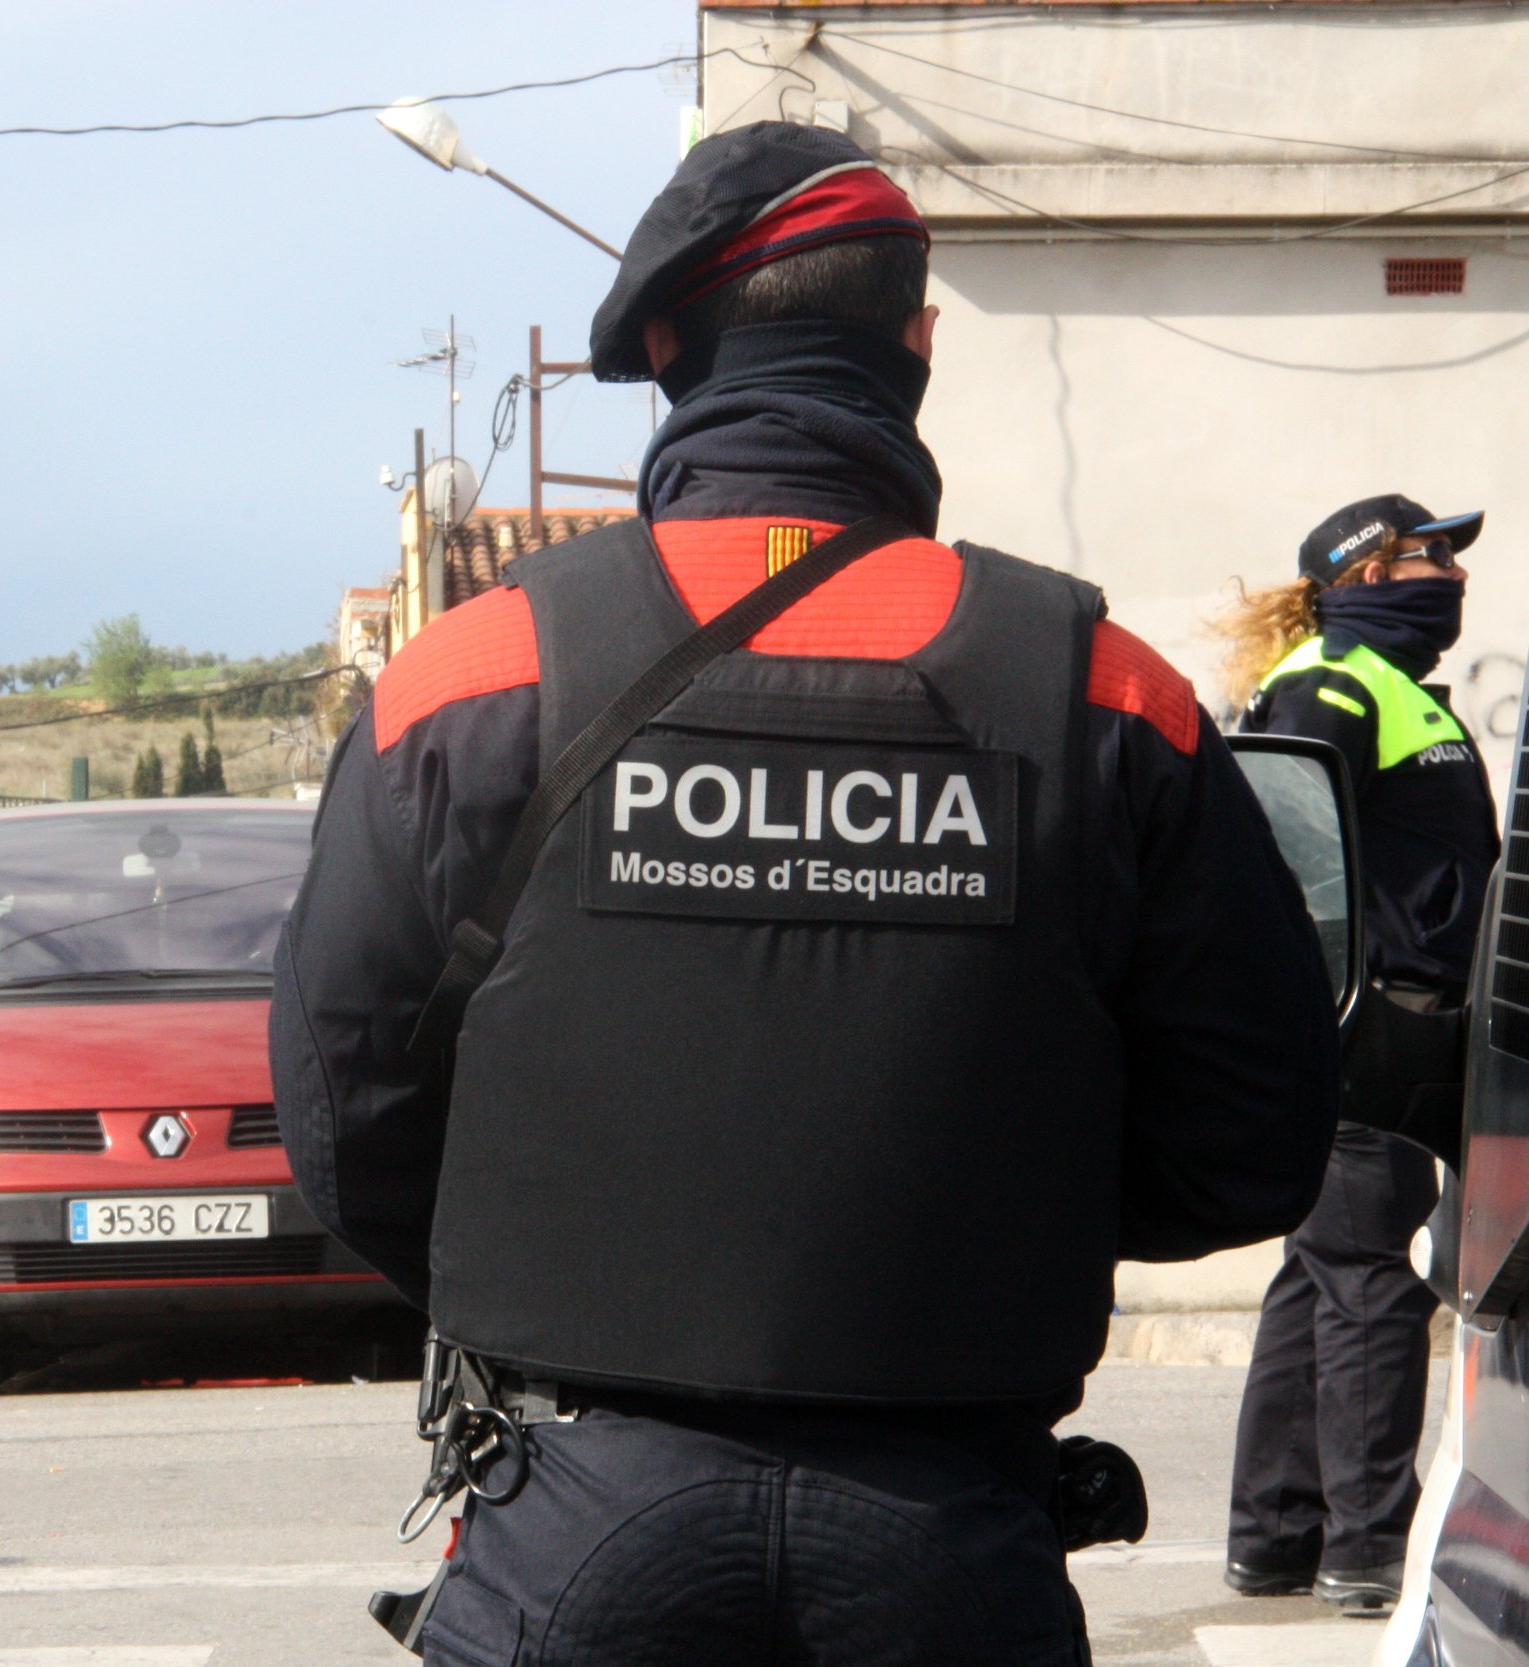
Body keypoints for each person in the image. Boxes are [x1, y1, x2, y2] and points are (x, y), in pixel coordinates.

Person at [271, 121, 1342, 1666]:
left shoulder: (472, 675)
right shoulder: (1108, 695)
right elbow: (1255, 1139)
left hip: (571, 1513)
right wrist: (979, 1206)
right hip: (957, 1529)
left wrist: (556, 1255)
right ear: (915, 342)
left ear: (661, 345)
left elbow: (338, 1097)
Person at [1219, 496, 1497, 1611]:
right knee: (1370, 1281)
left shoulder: (1387, 688)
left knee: (1323, 1273)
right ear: (1370, 571)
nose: (1454, 575)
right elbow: (1275, 854)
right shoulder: (1326, 685)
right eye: (1433, 554)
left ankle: (1277, 1533)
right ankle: (1368, 1547)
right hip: (1363, 1025)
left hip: (1415, 1024)